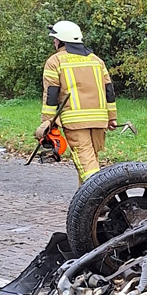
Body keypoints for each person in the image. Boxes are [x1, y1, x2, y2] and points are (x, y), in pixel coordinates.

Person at [37, 21, 117, 183]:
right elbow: (109, 90)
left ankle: (102, 200)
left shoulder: (55, 61)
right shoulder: (96, 60)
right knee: (90, 159)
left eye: (55, 39)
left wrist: (47, 122)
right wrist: (112, 117)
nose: (54, 42)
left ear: (61, 41)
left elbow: (51, 95)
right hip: (99, 120)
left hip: (75, 121)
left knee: (86, 165)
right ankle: (87, 205)